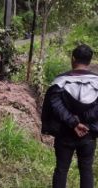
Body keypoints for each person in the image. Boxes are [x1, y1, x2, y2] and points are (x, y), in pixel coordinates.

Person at [42, 44, 97, 188]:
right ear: (90, 61)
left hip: (64, 133)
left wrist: (73, 122)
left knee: (61, 169)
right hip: (88, 134)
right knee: (86, 170)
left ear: (73, 59)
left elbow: (54, 105)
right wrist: (86, 123)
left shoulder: (59, 82)